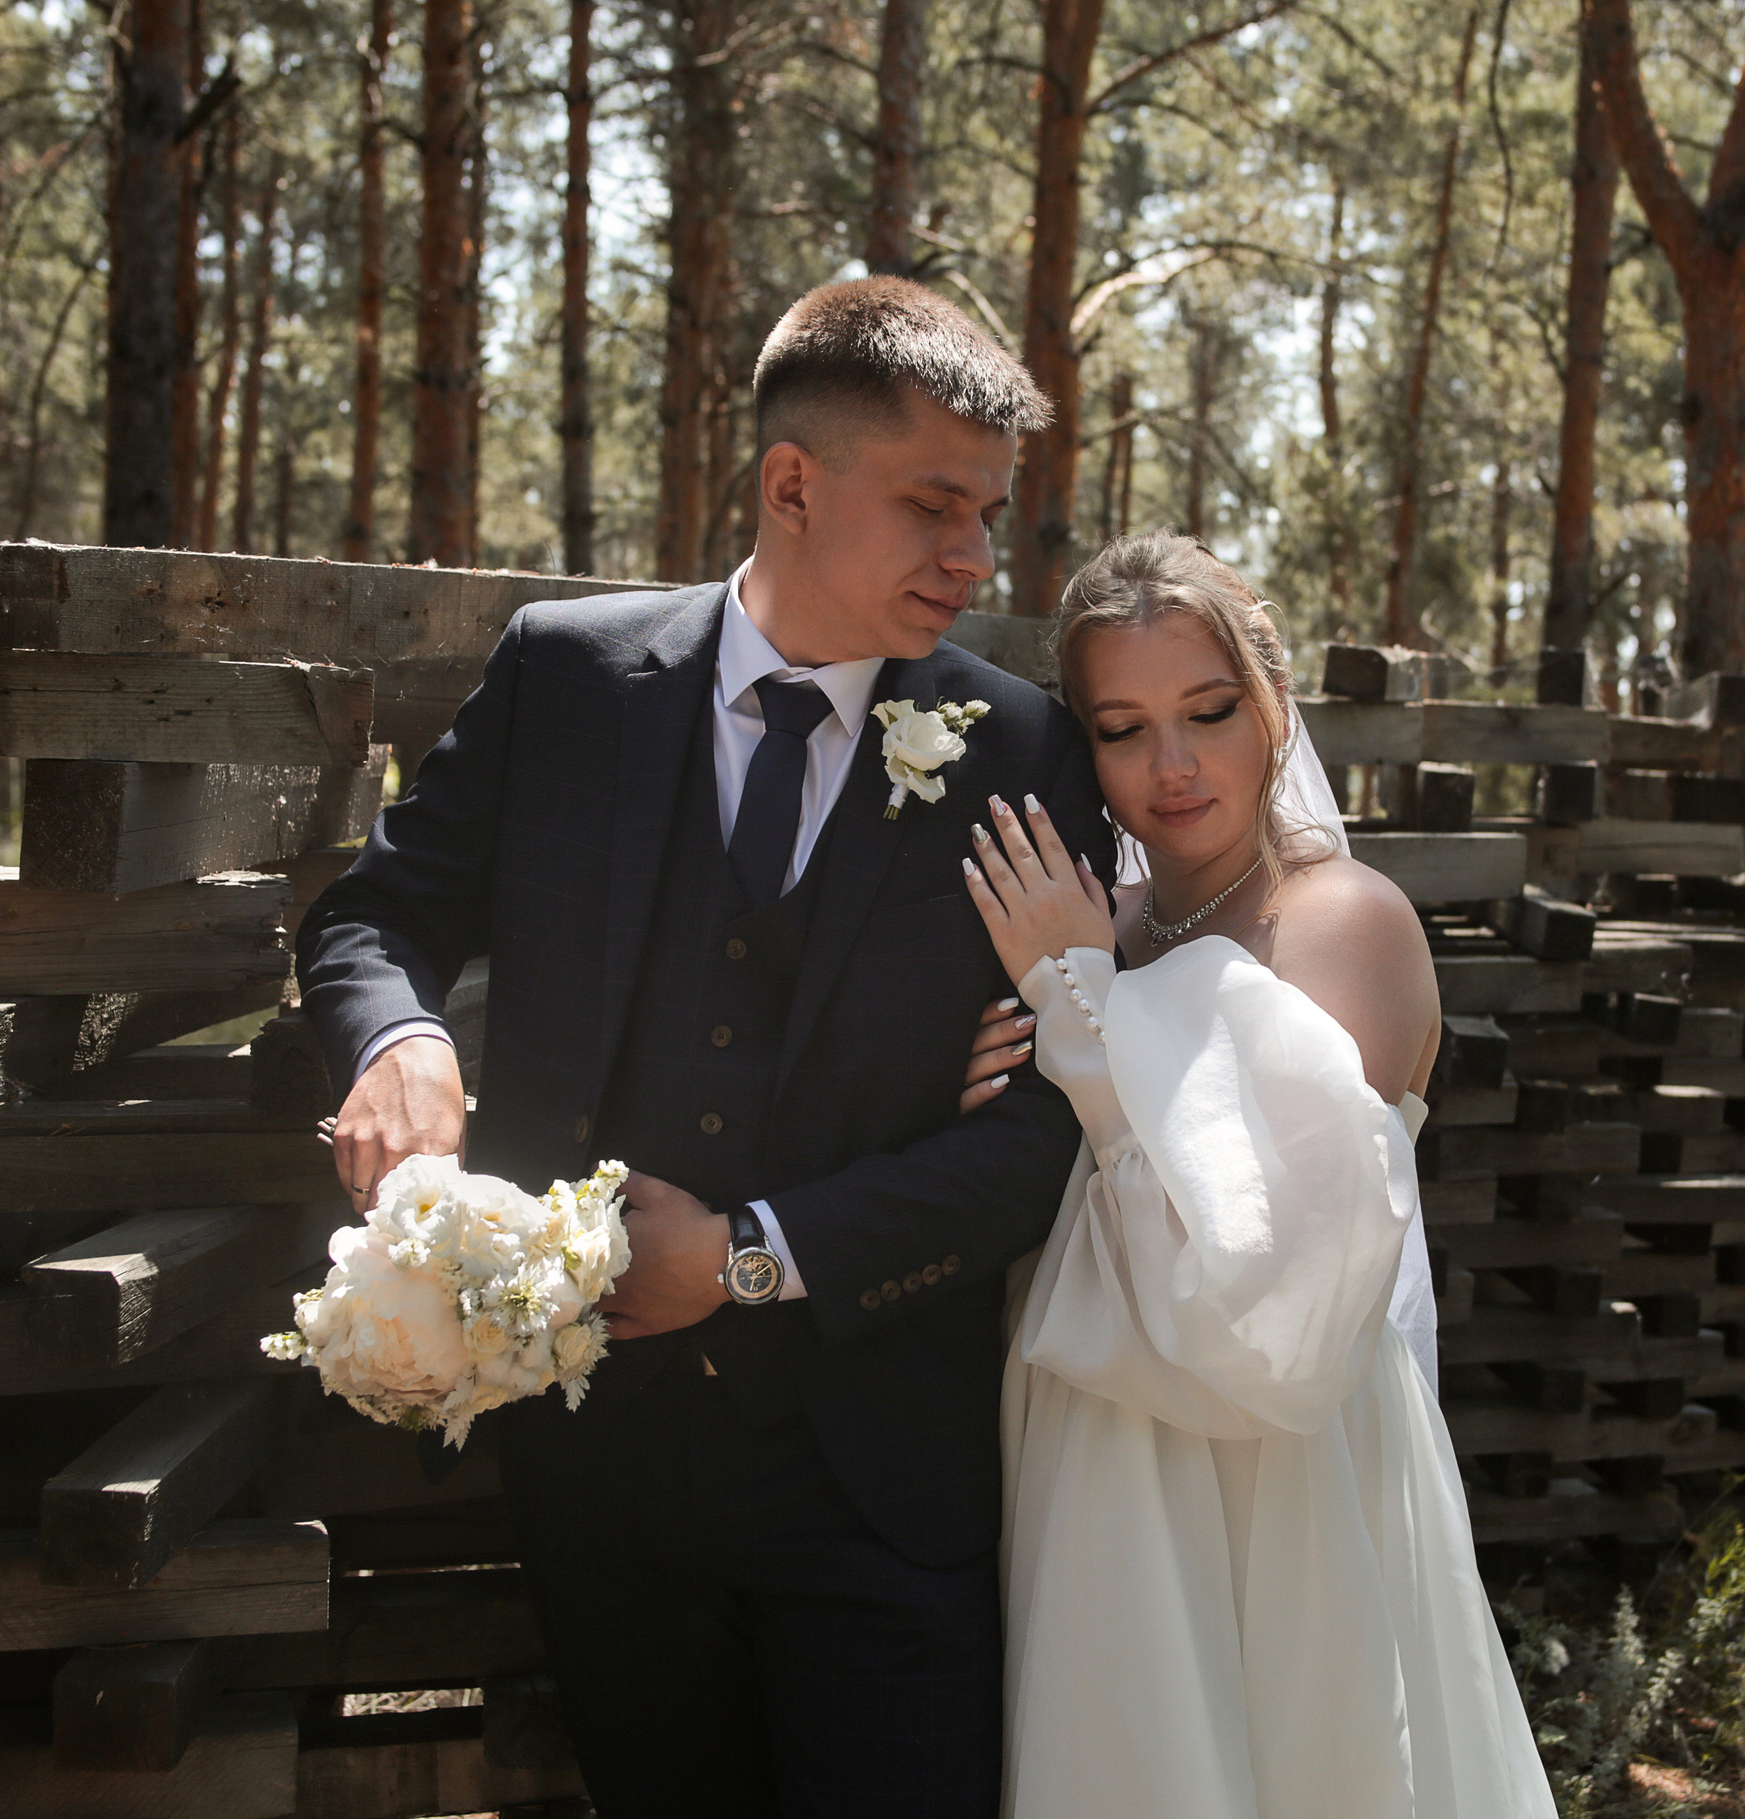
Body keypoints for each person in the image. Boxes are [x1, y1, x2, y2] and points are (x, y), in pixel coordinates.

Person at [295, 276, 1116, 1819]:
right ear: (791, 484)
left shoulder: (1023, 750)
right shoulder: (568, 678)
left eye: (993, 513)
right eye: (937, 504)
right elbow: (371, 918)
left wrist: (755, 1254)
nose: (978, 557)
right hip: (598, 1471)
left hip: (882, 1481)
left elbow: (1042, 1136)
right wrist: (396, 1034)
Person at [961, 532, 1558, 1818]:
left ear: (1274, 703)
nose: (1171, 766)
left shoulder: (1340, 918)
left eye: (1209, 712)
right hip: (1092, 1435)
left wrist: (1083, 1008)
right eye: (1121, 729)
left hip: (1275, 1455)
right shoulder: (1093, 927)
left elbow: (1268, 1273)